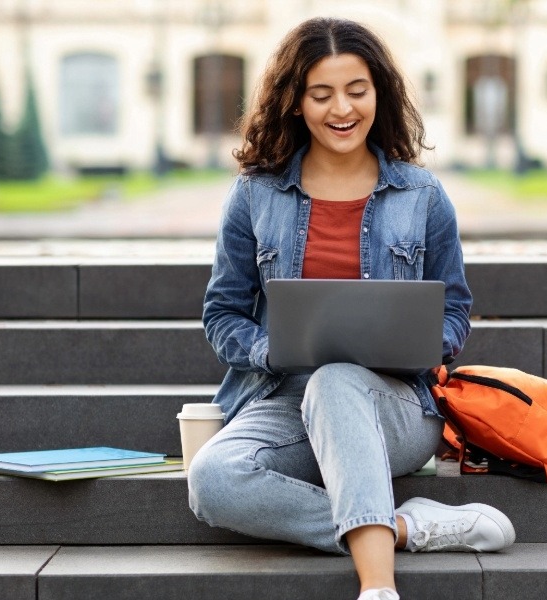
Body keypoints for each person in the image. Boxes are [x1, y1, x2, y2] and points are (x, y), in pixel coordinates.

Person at [187, 16, 514, 600]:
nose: (342, 108)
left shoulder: (421, 195)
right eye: (322, 93)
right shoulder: (255, 194)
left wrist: (417, 341)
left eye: (357, 90)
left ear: (379, 93)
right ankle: (408, 527)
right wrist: (274, 348)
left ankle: (378, 590)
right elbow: (222, 314)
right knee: (213, 480)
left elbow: (456, 309)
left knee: (339, 381)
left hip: (395, 408)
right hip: (285, 400)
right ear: (295, 102)